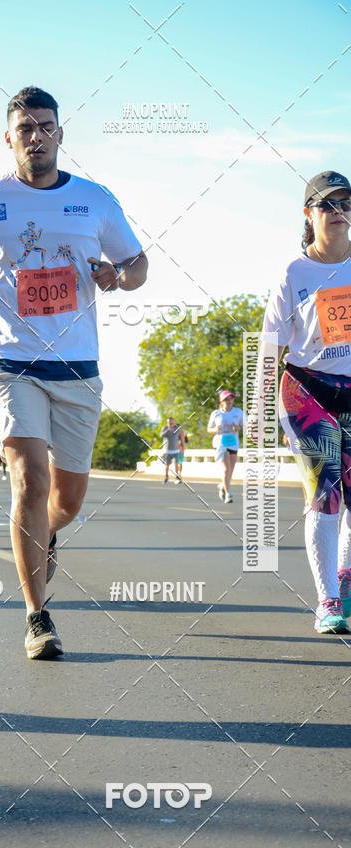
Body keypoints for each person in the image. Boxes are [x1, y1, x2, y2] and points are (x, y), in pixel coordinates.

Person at [0, 85, 147, 658]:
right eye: (25, 128)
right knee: (29, 478)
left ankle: (47, 533)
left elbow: (137, 263)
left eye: (45, 127)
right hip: (9, 362)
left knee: (67, 501)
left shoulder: (94, 199)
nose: (36, 137)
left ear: (59, 134)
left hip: (77, 365)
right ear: (9, 138)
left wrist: (118, 277)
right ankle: (37, 616)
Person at [259, 170, 351, 634]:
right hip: (306, 391)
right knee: (327, 492)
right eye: (327, 204)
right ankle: (327, 601)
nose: (338, 212)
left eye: (345, 204)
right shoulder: (294, 273)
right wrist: (258, 408)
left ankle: (344, 576)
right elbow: (270, 344)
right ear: (308, 214)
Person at [207, 391, 244, 503]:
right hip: (220, 443)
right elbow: (209, 429)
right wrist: (215, 429)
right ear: (221, 401)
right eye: (226, 399)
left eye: (231, 398)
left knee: (230, 471)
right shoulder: (216, 413)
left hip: (233, 442)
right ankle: (228, 494)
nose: (229, 401)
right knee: (226, 469)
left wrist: (237, 428)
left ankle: (223, 486)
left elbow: (244, 426)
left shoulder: (238, 412)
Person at [160, 416, 183, 484]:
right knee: (167, 465)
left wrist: (182, 445)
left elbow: (180, 437)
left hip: (176, 450)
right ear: (167, 423)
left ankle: (177, 477)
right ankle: (166, 477)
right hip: (167, 450)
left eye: (171, 423)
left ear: (174, 422)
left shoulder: (177, 428)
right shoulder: (165, 428)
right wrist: (168, 430)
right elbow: (161, 435)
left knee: (176, 463)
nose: (170, 424)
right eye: (169, 423)